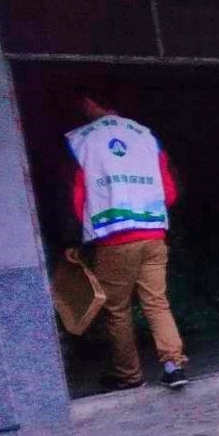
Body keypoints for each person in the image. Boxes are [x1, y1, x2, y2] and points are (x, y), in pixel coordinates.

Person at [67, 92, 188, 391]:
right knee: (156, 302)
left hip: (115, 238)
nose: (82, 108)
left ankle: (129, 375)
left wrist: (80, 234)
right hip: (153, 234)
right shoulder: (146, 136)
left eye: (84, 103)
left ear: (92, 103)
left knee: (117, 309)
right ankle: (173, 366)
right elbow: (169, 193)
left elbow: (78, 200)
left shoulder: (83, 140)